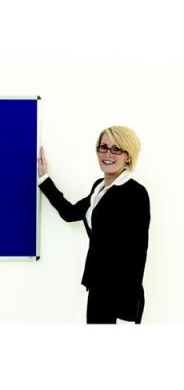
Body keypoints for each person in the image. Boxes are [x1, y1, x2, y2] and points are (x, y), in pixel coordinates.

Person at [37, 126, 150, 324]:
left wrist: (126, 311)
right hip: (98, 286)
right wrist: (44, 178)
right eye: (103, 147)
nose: (108, 154)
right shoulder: (99, 187)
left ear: (128, 156)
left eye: (116, 149)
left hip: (120, 295)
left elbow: (137, 252)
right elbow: (70, 213)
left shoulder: (135, 193)